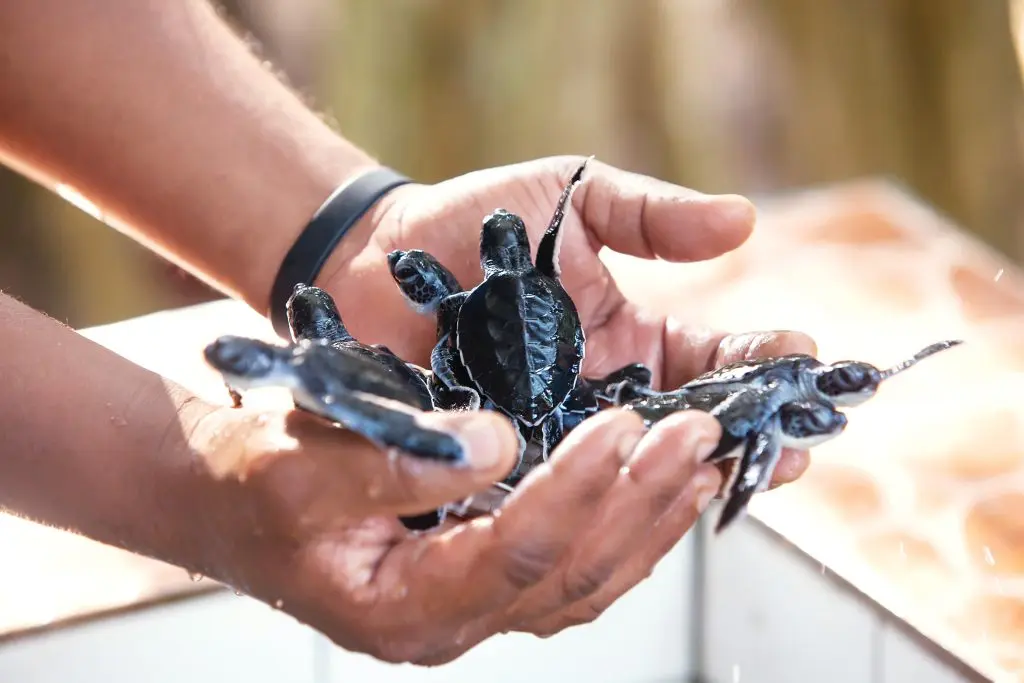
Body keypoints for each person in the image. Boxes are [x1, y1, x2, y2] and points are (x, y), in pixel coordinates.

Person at [0, 0, 815, 667]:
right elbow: (438, 327)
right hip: (485, 380)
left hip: (464, 378)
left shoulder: (455, 308)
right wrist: (195, 473)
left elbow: (431, 314)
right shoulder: (478, 304)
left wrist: (352, 231)